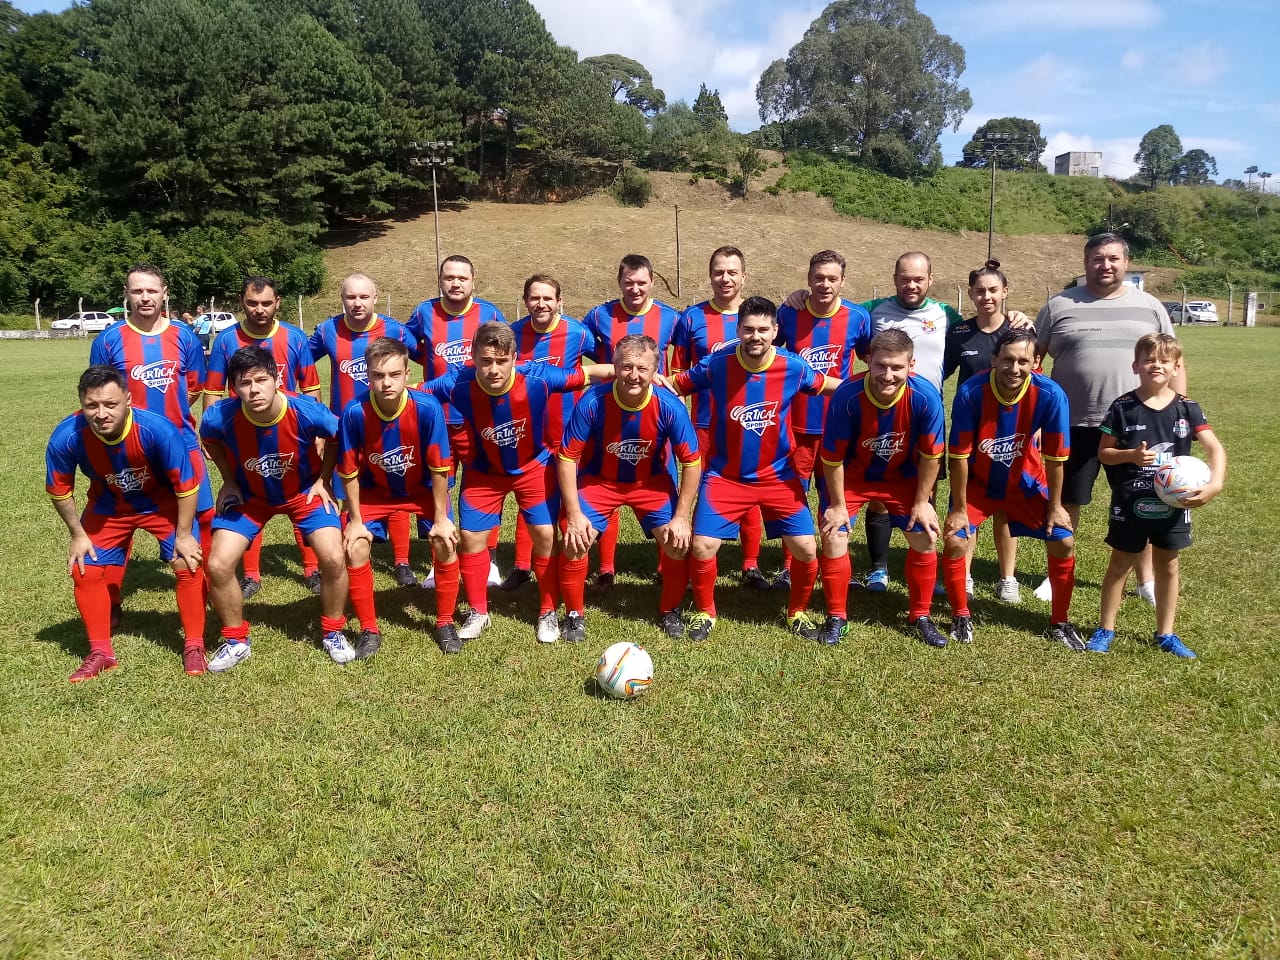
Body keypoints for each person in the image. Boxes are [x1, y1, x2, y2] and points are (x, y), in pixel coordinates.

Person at [417, 322, 614, 644]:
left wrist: (637, 373)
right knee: (471, 537)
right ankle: (479, 611)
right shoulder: (457, 381)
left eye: (501, 361)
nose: (493, 370)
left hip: (533, 466)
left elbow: (589, 374)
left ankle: (547, 610)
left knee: (546, 535)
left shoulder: (537, 377)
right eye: (485, 361)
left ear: (514, 357)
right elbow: (414, 392)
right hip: (484, 472)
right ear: (472, 356)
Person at [671, 296, 840, 641]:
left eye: (763, 329)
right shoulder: (718, 364)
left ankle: (797, 612)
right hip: (724, 476)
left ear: (776, 331)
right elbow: (677, 385)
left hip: (778, 477)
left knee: (807, 548)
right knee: (703, 546)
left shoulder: (792, 367)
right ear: (738, 330)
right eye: (748, 329)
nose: (756, 336)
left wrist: (876, 386)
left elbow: (828, 386)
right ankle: (705, 611)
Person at [1035, 232, 1183, 606]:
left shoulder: (1149, 307)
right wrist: (1036, 420)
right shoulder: (1059, 306)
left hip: (1138, 425)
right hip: (1073, 422)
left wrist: (1179, 406)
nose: (1105, 265)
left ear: (1126, 262)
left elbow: (1172, 359)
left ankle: (1145, 580)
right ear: (1085, 263)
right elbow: (1033, 361)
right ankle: (1056, 575)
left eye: (1113, 258)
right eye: (1098, 259)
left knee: (1146, 500)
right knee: (1068, 501)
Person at [46, 366, 207, 681]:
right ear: (82, 402)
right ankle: (101, 652)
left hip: (162, 503)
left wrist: (184, 535)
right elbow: (59, 490)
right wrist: (77, 534)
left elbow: (186, 487)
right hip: (109, 506)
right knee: (85, 567)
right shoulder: (67, 435)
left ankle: (195, 645)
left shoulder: (157, 430)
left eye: (110, 404)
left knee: (187, 562)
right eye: (92, 405)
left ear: (128, 400)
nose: (101, 413)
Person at [199, 346, 349, 671]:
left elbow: (339, 435)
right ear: (233, 388)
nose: (253, 389)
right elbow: (208, 440)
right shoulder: (219, 416)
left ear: (277, 379)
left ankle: (333, 631)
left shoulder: (306, 410)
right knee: (218, 565)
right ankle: (236, 641)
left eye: (261, 380)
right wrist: (228, 480)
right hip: (251, 497)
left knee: (335, 557)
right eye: (244, 383)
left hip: (303, 493)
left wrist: (324, 478)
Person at [943, 329, 1083, 650]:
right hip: (979, 485)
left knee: (1064, 540)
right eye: (1007, 359)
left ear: (1036, 362)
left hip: (1026, 485)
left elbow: (1056, 456)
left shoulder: (1050, 394)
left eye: (1023, 361)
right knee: (954, 540)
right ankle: (960, 614)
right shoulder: (971, 392)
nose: (1014, 368)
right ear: (994, 360)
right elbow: (960, 456)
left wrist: (1057, 506)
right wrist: (959, 508)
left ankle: (1060, 621)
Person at [1087, 333, 1226, 658]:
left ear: (1176, 366)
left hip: (1174, 504)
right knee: (1120, 564)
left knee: (1168, 566)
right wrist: (1131, 456)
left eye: (1164, 361)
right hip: (1130, 501)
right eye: (1149, 359)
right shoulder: (1122, 407)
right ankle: (1105, 628)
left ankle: (1166, 633)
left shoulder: (1187, 408)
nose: (1156, 365)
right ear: (1136, 365)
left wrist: (1214, 484)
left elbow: (1214, 448)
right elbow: (1105, 454)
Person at [557, 334, 702, 641]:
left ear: (655, 371)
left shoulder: (669, 405)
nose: (633, 375)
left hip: (650, 483)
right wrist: (573, 513)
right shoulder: (594, 400)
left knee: (677, 542)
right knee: (574, 539)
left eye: (642, 368)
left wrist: (682, 517)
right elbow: (568, 458)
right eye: (626, 367)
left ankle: (670, 609)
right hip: (600, 482)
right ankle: (574, 614)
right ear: (615, 366)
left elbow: (692, 462)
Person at [89, 263, 214, 616]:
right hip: (130, 451)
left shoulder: (184, 336)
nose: (145, 297)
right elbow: (100, 391)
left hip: (183, 442)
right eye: (137, 291)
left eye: (151, 291)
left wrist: (167, 419)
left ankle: (204, 592)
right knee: (121, 522)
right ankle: (112, 600)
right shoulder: (109, 339)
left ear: (164, 294)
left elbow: (193, 385)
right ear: (127, 295)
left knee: (202, 517)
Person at [818, 330, 945, 647]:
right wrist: (836, 504)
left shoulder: (926, 397)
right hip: (853, 477)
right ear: (868, 361)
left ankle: (921, 616)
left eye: (897, 368)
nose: (888, 375)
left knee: (926, 535)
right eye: (881, 366)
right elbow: (831, 459)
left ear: (910, 365)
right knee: (834, 535)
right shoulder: (847, 396)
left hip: (902, 478)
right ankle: (837, 616)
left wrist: (922, 502)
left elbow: (932, 456)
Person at [337, 338, 461, 657]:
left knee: (445, 541)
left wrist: (441, 518)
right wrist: (354, 521)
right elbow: (349, 472)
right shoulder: (354, 412)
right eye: (378, 375)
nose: (386, 382)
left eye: (394, 374)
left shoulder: (427, 407)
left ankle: (445, 622)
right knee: (355, 546)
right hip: (374, 492)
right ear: (368, 376)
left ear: (407, 373)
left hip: (421, 489)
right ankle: (368, 629)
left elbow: (439, 468)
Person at [205, 276, 322, 601]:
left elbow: (311, 387)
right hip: (243, 436)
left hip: (292, 434)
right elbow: (213, 389)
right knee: (248, 496)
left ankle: (312, 568)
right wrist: (212, 431)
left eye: (266, 303)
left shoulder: (294, 337)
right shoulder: (227, 341)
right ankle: (251, 575)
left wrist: (317, 434)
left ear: (277, 303)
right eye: (252, 303)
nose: (259, 310)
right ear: (241, 303)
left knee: (301, 496)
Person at [309, 273, 419, 590]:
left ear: (374, 297)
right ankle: (350, 556)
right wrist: (311, 407)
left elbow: (426, 356)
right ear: (342, 299)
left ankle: (402, 562)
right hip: (346, 428)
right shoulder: (328, 330)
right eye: (351, 297)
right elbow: (301, 360)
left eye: (363, 297)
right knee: (347, 494)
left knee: (393, 489)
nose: (357, 303)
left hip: (389, 426)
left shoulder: (395, 330)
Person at [581, 253, 682, 594]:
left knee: (657, 483)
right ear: (619, 282)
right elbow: (584, 351)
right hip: (609, 415)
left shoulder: (671, 317)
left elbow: (682, 359)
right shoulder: (599, 315)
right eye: (629, 282)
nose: (635, 288)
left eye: (641, 282)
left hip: (655, 416)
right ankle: (606, 568)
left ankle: (662, 564)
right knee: (607, 481)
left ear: (652, 281)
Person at [406, 255, 508, 588]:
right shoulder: (424, 312)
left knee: (484, 486)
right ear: (440, 280)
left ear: (473, 281)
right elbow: (408, 347)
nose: (456, 283)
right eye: (449, 277)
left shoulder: (489, 313)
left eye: (462, 278)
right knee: (438, 489)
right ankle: (442, 560)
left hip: (479, 420)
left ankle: (488, 559)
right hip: (436, 419)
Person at [773, 249, 872, 591]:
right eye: (818, 278)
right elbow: (771, 354)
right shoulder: (789, 313)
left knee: (835, 497)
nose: (825, 284)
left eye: (832, 278)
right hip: (795, 425)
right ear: (808, 279)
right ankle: (790, 566)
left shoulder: (858, 317)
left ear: (843, 280)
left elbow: (872, 359)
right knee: (793, 496)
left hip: (839, 427)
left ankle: (835, 565)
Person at [671, 246, 766, 589]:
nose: (725, 279)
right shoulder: (692, 318)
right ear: (710, 275)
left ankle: (751, 564)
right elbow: (678, 369)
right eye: (718, 272)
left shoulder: (760, 318)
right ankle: (697, 552)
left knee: (750, 485)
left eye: (731, 272)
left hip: (751, 422)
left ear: (744, 275)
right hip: (706, 422)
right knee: (699, 485)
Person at [504, 274, 595, 593]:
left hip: (571, 432)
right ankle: (521, 566)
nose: (541, 303)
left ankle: (585, 564)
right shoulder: (512, 335)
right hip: (528, 434)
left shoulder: (579, 333)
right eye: (534, 297)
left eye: (547, 298)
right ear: (526, 300)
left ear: (559, 301)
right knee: (533, 499)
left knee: (573, 500)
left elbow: (606, 365)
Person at [943, 259, 1021, 604]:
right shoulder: (960, 333)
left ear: (1005, 292)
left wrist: (1032, 431)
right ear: (971, 294)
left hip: (1010, 432)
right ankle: (967, 576)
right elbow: (939, 373)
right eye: (979, 291)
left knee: (1005, 508)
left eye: (992, 290)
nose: (986, 296)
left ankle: (1008, 579)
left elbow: (1035, 380)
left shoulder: (1019, 333)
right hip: (971, 432)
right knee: (968, 503)